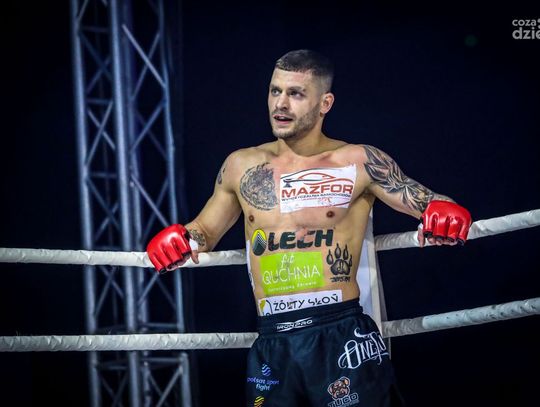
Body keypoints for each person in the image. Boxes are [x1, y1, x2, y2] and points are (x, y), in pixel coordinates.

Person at [146, 49, 472, 406]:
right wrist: (183, 238)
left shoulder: (358, 160)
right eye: (275, 91)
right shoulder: (241, 165)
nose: (280, 104)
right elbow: (205, 230)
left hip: (339, 331)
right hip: (272, 338)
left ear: (324, 103)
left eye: (296, 93)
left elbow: (427, 201)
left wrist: (443, 211)